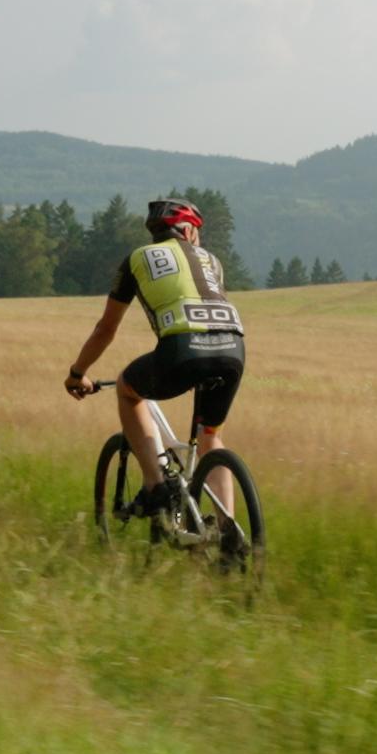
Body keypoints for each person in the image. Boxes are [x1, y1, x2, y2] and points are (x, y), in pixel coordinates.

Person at [64, 198, 245, 518]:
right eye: (198, 232)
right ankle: (228, 530)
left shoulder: (137, 259)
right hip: (233, 350)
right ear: (188, 231)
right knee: (210, 435)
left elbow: (106, 328)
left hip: (183, 350)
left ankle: (156, 485)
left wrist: (78, 372)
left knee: (127, 388)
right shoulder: (212, 261)